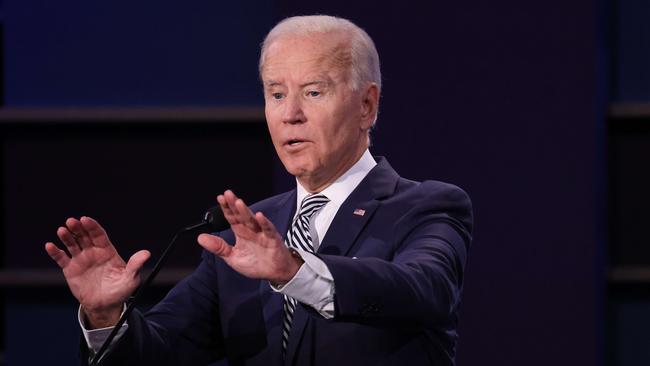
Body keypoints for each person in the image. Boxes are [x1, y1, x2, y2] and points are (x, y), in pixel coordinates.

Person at [45, 15, 473, 366]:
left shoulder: (426, 206)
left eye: (313, 92)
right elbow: (160, 354)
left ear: (367, 105)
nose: (291, 114)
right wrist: (105, 316)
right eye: (276, 93)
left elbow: (425, 288)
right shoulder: (240, 239)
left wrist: (295, 272)